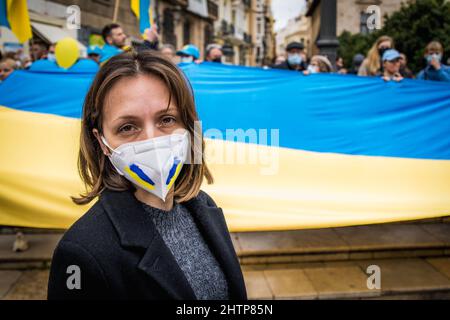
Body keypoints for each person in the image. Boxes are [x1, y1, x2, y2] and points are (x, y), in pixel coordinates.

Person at [47, 50, 247, 300]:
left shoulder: (204, 206)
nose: (152, 140)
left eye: (166, 119)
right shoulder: (80, 253)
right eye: (128, 127)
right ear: (102, 142)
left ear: (188, 126)